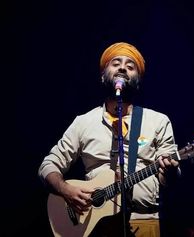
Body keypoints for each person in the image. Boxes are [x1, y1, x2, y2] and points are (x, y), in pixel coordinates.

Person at [38, 42, 180, 237]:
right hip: (94, 226)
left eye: (131, 66)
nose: (123, 67)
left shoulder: (158, 121)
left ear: (137, 79)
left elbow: (168, 178)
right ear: (103, 74)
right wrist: (66, 190)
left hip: (144, 221)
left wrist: (169, 170)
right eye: (116, 63)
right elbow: (48, 165)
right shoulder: (83, 122)